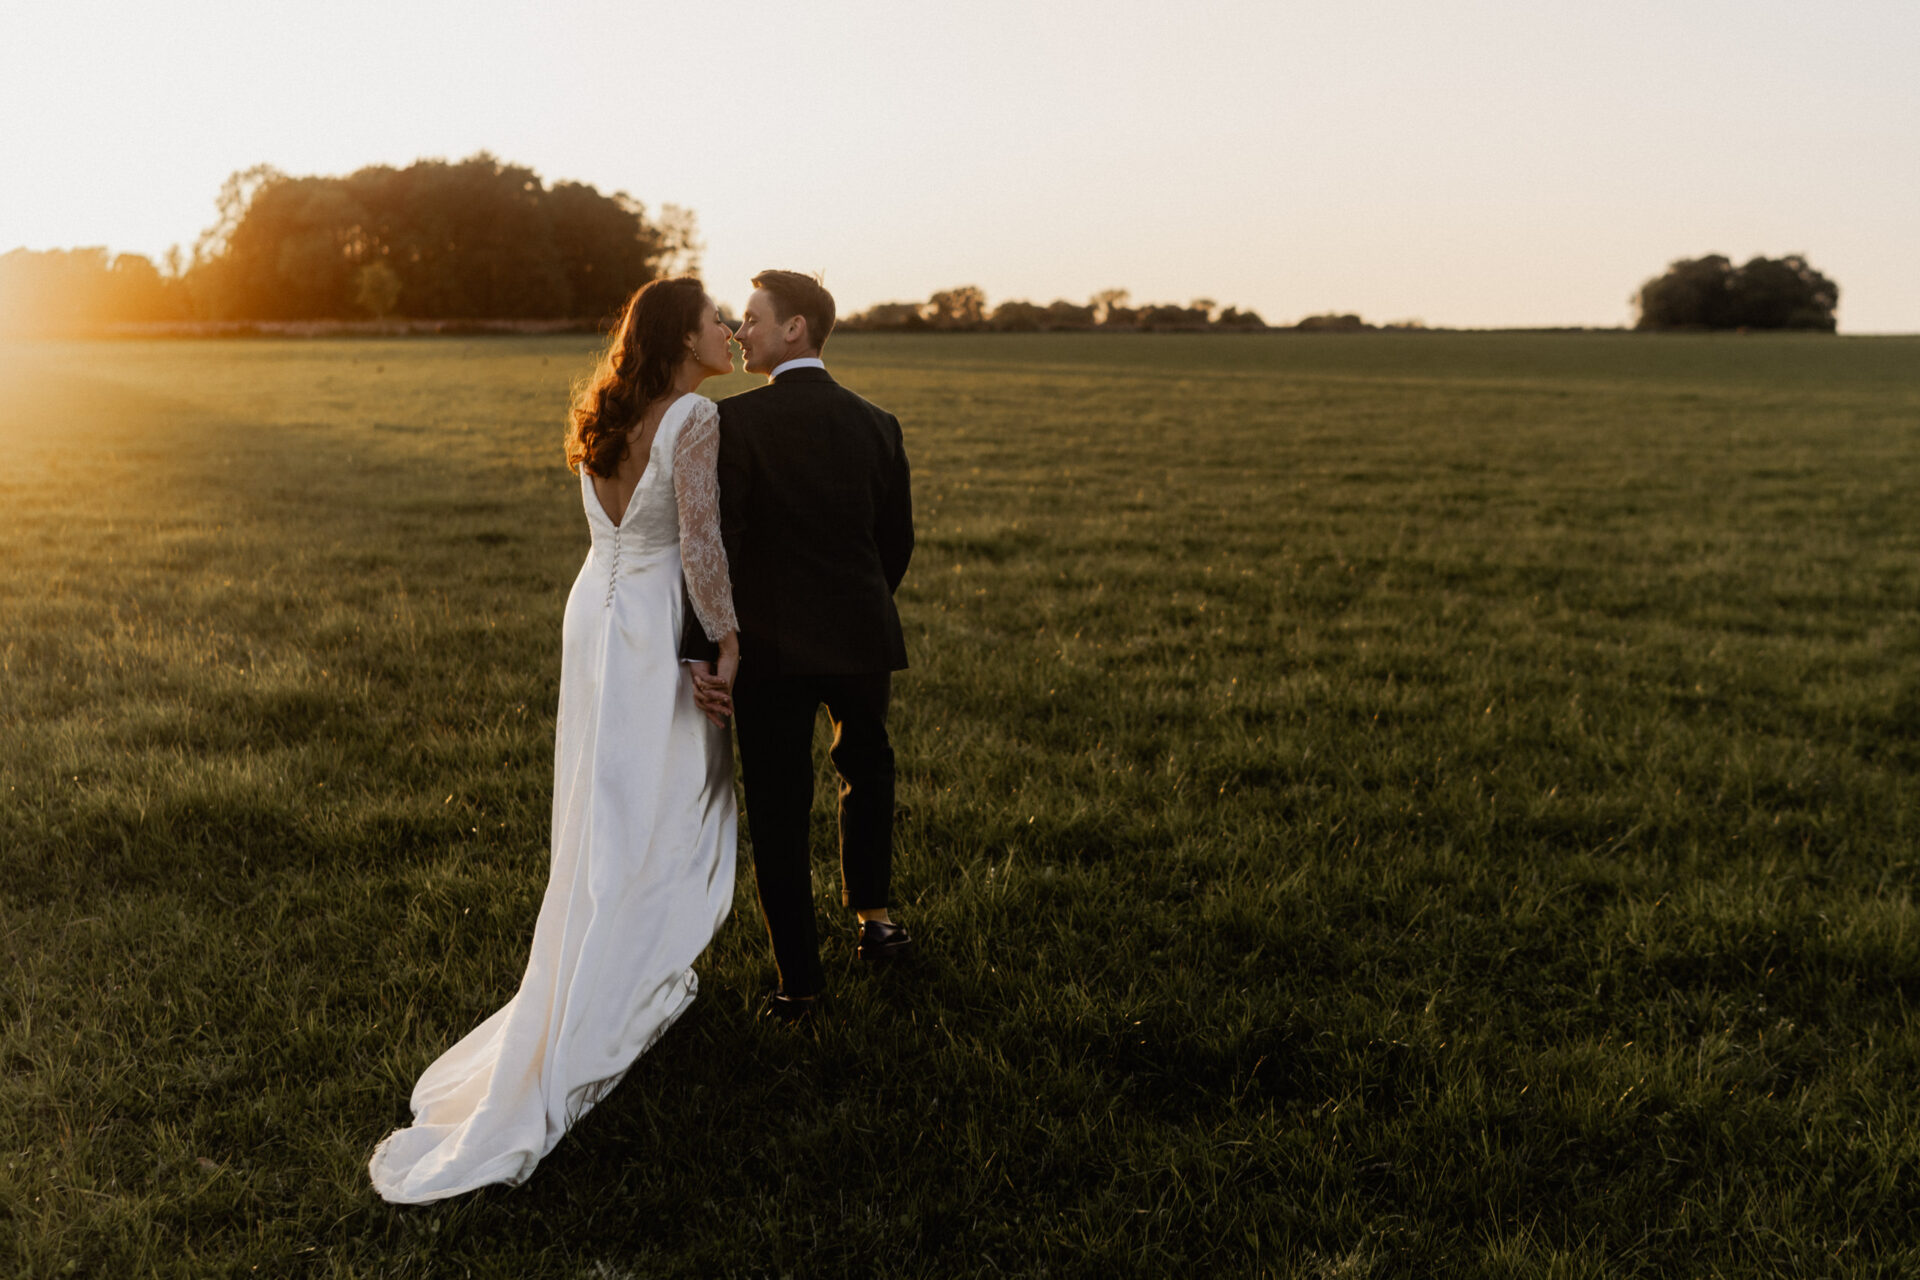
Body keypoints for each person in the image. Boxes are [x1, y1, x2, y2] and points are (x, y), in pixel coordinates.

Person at [369, 277, 741, 1203]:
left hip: (594, 611)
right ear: (681, 338)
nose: (731, 329)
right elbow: (701, 547)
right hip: (653, 620)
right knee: (664, 803)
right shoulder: (694, 415)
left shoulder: (604, 410)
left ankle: (608, 963)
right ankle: (621, 984)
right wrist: (727, 638)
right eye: (717, 320)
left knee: (598, 800)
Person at [683, 270, 915, 1023]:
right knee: (867, 773)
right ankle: (875, 924)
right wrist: (857, 606)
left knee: (780, 807)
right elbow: (895, 544)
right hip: (860, 636)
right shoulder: (877, 422)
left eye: (752, 319)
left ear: (797, 329)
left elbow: (723, 544)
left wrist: (714, 641)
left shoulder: (737, 423)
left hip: (768, 649)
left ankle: (800, 984)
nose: (740, 331)